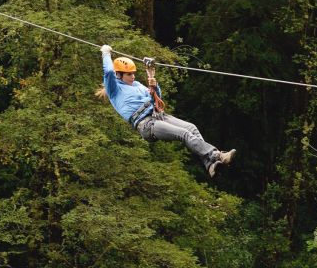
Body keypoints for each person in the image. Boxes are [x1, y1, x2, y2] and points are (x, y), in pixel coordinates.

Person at [98, 44, 235, 177]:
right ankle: (216, 155)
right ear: (119, 75)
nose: (133, 76)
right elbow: (109, 71)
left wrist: (153, 83)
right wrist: (106, 53)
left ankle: (210, 163)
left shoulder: (137, 85)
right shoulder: (114, 90)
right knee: (184, 134)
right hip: (147, 124)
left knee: (191, 128)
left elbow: (156, 99)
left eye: (133, 73)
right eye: (129, 74)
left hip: (159, 115)